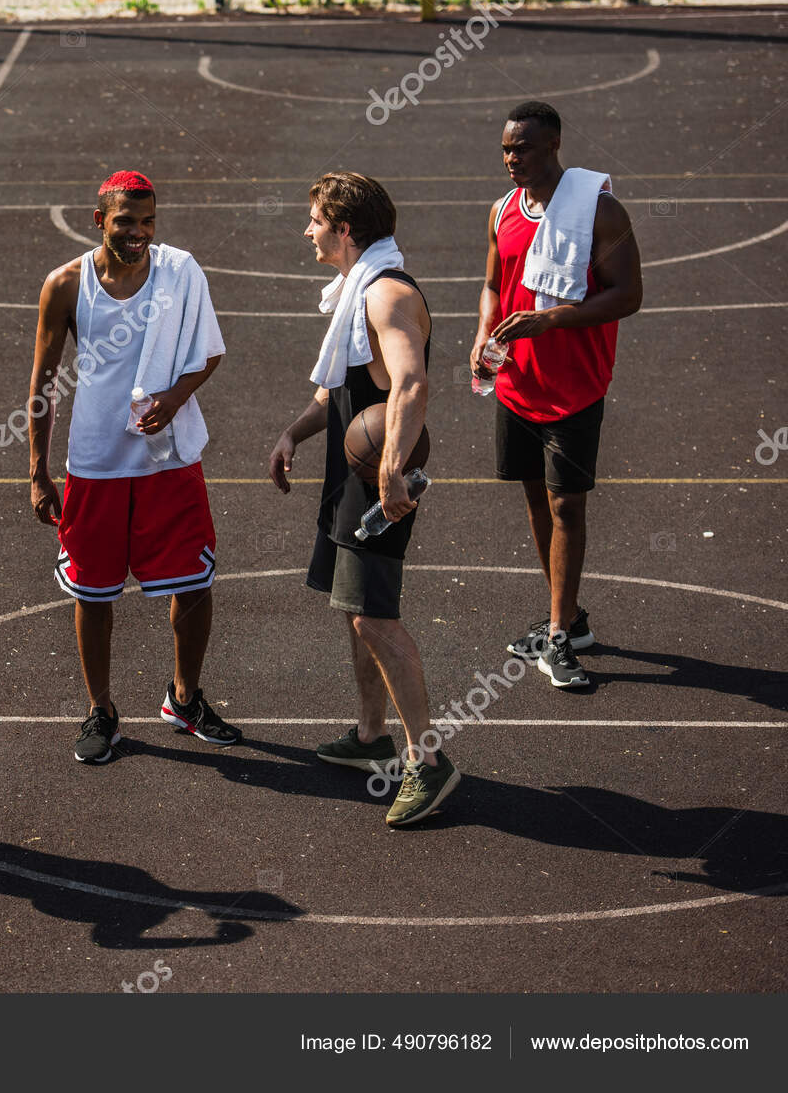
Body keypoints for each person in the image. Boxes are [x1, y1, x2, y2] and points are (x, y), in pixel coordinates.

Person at [27, 170, 237, 765]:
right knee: (93, 593)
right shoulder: (65, 285)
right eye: (126, 222)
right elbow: (42, 383)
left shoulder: (180, 273)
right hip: (94, 460)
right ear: (100, 221)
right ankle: (101, 709)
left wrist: (174, 398)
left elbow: (210, 350)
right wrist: (38, 470)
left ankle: (184, 698)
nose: (139, 233)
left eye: (148, 222)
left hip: (167, 457)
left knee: (194, 584)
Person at [269, 171, 458, 827]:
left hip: (379, 482)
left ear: (346, 230)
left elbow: (410, 383)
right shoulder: (357, 292)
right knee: (354, 611)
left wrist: (394, 469)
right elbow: (341, 385)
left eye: (316, 219)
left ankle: (427, 761)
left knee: (375, 616)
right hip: (352, 476)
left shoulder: (387, 294)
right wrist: (296, 429)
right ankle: (371, 735)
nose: (308, 230)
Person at [472, 101, 642, 688]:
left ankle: (559, 637)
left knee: (568, 504)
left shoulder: (601, 210)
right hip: (518, 384)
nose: (511, 158)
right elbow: (493, 285)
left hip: (574, 386)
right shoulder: (501, 210)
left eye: (523, 148)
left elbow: (627, 295)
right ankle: (566, 616)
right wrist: (481, 335)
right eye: (505, 149)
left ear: (555, 145)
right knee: (537, 501)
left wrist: (551, 322)